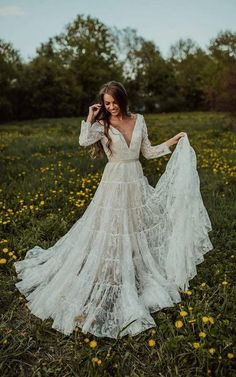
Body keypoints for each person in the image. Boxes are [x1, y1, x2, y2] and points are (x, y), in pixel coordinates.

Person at [14, 81, 213, 339]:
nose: (111, 107)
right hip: (114, 181)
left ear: (123, 99)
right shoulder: (102, 125)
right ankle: (109, 270)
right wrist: (91, 115)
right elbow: (84, 141)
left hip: (135, 179)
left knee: (135, 225)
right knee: (111, 226)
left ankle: (130, 266)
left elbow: (148, 153)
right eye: (106, 103)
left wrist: (174, 140)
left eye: (114, 102)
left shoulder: (139, 120)